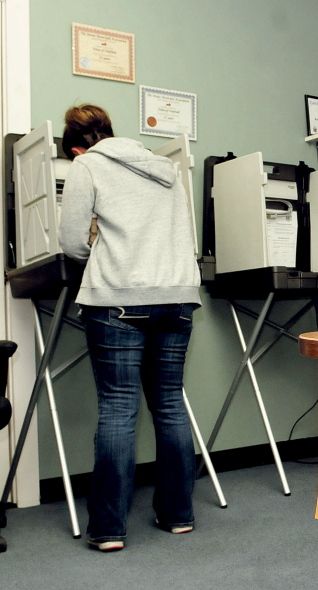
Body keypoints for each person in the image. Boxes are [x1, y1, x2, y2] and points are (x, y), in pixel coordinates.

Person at [58, 104, 202, 552]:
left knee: (119, 409)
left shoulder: (87, 166)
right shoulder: (167, 168)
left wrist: (100, 249)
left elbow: (70, 241)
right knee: (170, 405)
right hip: (176, 299)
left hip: (119, 299)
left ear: (78, 147)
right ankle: (178, 515)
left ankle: (108, 530)